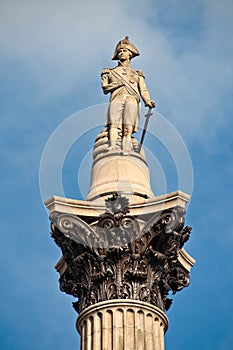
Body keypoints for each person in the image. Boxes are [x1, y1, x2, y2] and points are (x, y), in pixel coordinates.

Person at [101, 36, 155, 152]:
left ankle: (126, 148)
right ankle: (113, 146)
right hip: (117, 98)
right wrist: (118, 84)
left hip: (132, 98)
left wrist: (148, 101)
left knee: (128, 126)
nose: (121, 53)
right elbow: (105, 88)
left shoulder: (137, 74)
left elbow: (143, 90)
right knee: (114, 124)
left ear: (130, 54)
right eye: (119, 51)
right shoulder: (110, 72)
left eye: (124, 51)